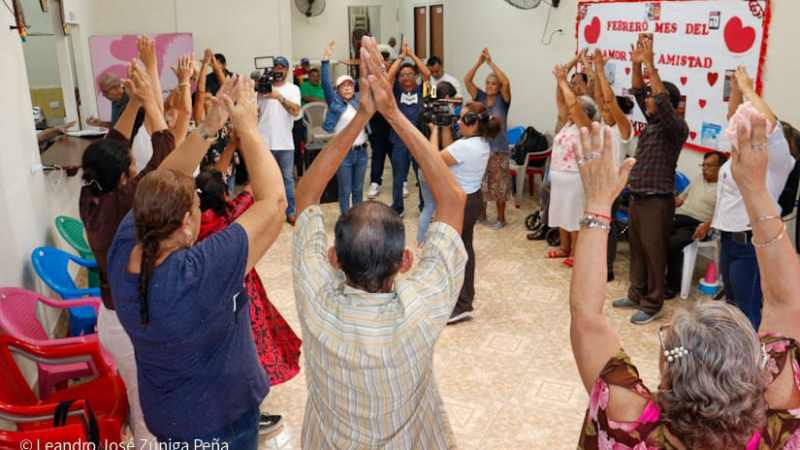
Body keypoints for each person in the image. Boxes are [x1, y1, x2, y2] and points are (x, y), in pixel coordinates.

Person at [569, 113, 800, 450]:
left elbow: (585, 315)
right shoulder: (782, 418)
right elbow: (786, 301)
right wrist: (756, 189)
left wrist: (597, 203)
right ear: (758, 372)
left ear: (667, 370)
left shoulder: (626, 422)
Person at [292, 36, 467, 449]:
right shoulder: (421, 308)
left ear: (333, 258)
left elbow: (305, 197)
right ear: (406, 261)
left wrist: (362, 117)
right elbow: (453, 200)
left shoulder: (316, 301)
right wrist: (390, 112)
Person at [109, 75, 287, 448]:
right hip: (220, 421)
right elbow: (274, 204)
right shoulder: (199, 272)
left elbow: (163, 179)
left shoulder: (126, 245)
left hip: (169, 415)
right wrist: (248, 128)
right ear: (188, 224)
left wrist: (207, 129)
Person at [80, 59, 170, 447]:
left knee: (140, 396)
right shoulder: (125, 201)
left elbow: (113, 144)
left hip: (110, 314)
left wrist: (134, 100)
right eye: (130, 167)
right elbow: (164, 152)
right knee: (144, 400)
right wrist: (151, 101)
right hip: (125, 321)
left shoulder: (90, 196)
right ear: (122, 177)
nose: (134, 168)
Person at [195, 168, 302, 434]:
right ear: (225, 194)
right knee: (252, 352)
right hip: (243, 299)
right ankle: (250, 414)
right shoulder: (234, 218)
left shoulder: (190, 226)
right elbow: (258, 187)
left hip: (207, 305)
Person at [612, 37, 688, 324]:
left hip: (658, 201)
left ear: (664, 103)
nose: (646, 100)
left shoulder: (675, 128)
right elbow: (638, 89)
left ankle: (653, 304)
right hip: (638, 197)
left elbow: (655, 96)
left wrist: (650, 65)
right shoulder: (654, 123)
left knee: (655, 255)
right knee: (638, 249)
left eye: (652, 99)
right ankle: (637, 293)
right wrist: (636, 64)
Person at [711, 66, 794, 329]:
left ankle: (753, 368)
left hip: (750, 243)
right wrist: (736, 93)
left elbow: (771, 126)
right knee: (733, 307)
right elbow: (732, 119)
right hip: (728, 238)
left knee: (747, 310)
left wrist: (748, 89)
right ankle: (736, 362)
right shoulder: (743, 155)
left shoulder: (777, 163)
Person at [431, 102, 498, 323]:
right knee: (465, 249)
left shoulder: (467, 147)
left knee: (450, 252)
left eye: (461, 119)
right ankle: (463, 301)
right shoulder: (479, 142)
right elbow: (452, 151)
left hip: (460, 204)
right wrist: (446, 130)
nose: (457, 121)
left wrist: (433, 132)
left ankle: (460, 304)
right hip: (473, 200)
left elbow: (433, 159)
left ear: (473, 122)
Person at [547, 63, 599, 268]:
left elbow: (573, 106)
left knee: (574, 215)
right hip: (559, 175)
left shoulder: (587, 127)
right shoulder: (568, 124)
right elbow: (562, 101)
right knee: (561, 213)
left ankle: (577, 253)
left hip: (576, 177)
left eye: (575, 106)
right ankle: (564, 248)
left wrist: (563, 80)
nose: (569, 108)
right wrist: (560, 79)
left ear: (585, 111)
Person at [593, 48, 634, 281]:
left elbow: (608, 99)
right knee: (597, 222)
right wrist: (597, 72)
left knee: (606, 225)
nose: (604, 110)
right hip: (599, 181)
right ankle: (596, 261)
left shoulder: (623, 128)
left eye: (609, 109)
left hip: (613, 183)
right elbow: (602, 98)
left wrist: (600, 70)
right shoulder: (605, 124)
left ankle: (606, 268)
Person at [664, 151, 726, 299]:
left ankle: (672, 285)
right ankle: (653, 278)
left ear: (721, 168)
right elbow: (681, 199)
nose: (704, 169)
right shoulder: (700, 178)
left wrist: (707, 225)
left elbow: (721, 214)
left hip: (699, 224)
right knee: (653, 232)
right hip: (680, 216)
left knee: (672, 243)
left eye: (709, 165)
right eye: (703, 165)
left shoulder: (725, 187)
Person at [320, 40, 370, 214]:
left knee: (358, 190)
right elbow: (325, 82)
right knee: (345, 191)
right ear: (337, 90)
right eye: (343, 86)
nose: (348, 88)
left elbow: (365, 80)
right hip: (343, 152)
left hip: (362, 151)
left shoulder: (359, 100)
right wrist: (326, 59)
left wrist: (367, 60)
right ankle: (345, 221)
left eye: (350, 85)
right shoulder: (334, 101)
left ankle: (357, 219)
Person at [465, 47, 512, 229]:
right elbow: (467, 80)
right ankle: (482, 213)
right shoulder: (480, 98)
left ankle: (500, 217)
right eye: (488, 83)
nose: (490, 86)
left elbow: (506, 82)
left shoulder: (503, 99)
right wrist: (479, 62)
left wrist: (491, 62)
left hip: (498, 149)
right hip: (481, 148)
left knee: (499, 184)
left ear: (498, 88)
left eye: (494, 83)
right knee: (481, 183)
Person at [385, 38, 431, 216]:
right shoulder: (396, 90)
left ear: (415, 76)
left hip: (419, 140)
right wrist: (401, 57)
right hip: (399, 140)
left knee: (422, 177)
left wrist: (411, 55)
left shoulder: (422, 91)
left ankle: (424, 207)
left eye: (410, 74)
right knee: (398, 178)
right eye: (403, 74)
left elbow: (427, 74)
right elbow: (388, 77)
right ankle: (397, 208)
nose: (407, 77)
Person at [257, 55, 302, 225]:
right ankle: (266, 214)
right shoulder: (263, 89)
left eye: (281, 68)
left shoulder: (293, 89)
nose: (278, 70)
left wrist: (278, 97)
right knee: (264, 180)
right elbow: (253, 110)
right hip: (263, 143)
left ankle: (290, 211)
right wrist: (257, 88)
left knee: (287, 179)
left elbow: (295, 111)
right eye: (275, 67)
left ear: (287, 71)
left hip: (285, 143)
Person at [366, 49, 394, 199]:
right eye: (379, 62)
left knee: (396, 155)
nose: (383, 65)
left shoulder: (397, 77)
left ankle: (401, 182)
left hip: (394, 124)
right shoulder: (370, 79)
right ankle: (375, 182)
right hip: (376, 123)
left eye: (386, 61)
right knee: (378, 154)